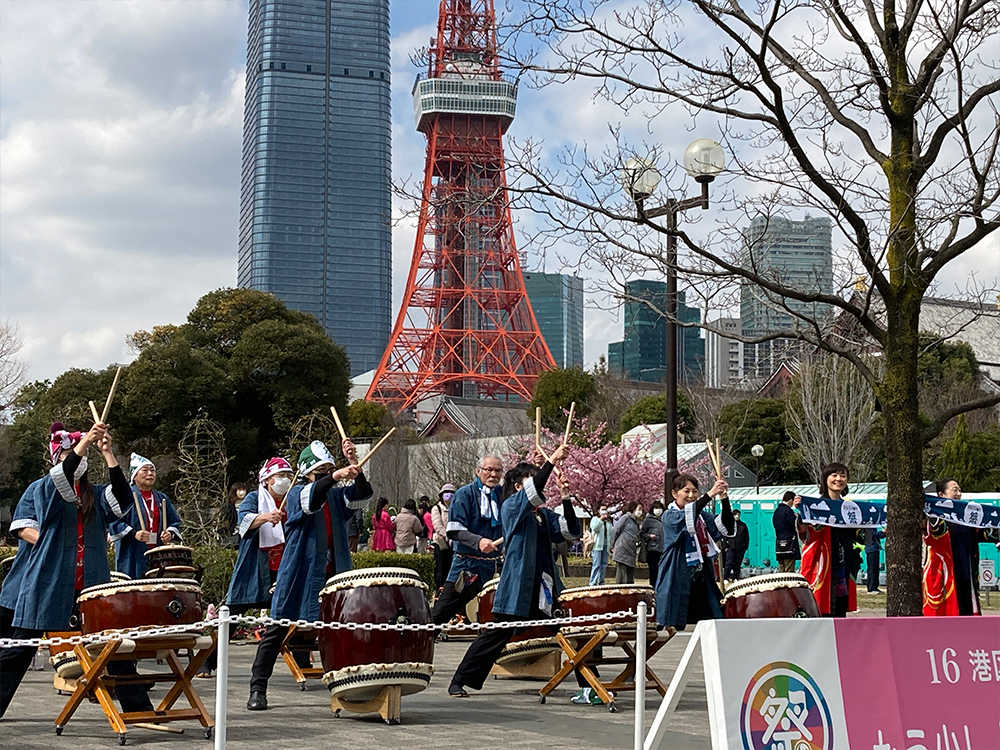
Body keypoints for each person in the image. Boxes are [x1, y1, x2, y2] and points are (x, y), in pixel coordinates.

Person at [1, 422, 152, 719]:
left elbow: (122, 496)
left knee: (114, 647)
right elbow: (27, 525)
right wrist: (83, 445)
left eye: (82, 457)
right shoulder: (43, 488)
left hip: (90, 585)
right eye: (71, 455)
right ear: (57, 457)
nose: (79, 460)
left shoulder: (95, 494)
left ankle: (139, 712)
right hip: (48, 583)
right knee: (20, 650)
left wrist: (107, 453)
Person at [248, 439, 368, 710]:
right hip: (299, 571)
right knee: (278, 627)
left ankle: (348, 687)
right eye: (322, 469)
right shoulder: (296, 492)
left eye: (330, 468)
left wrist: (354, 466)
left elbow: (361, 495)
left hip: (334, 571)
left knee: (339, 630)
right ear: (309, 470)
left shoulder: (336, 496)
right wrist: (336, 475)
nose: (328, 473)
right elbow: (312, 498)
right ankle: (258, 687)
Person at [447, 446, 577, 698]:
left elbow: (570, 531)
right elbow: (534, 489)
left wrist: (566, 497)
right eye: (531, 483)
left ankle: (588, 687)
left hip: (543, 588)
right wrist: (551, 460)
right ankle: (459, 680)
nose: (540, 488)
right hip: (518, 586)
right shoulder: (511, 507)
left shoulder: (542, 515)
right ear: (519, 487)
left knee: (569, 632)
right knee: (495, 636)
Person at [655, 472, 733, 632]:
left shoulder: (702, 517)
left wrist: (724, 499)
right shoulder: (669, 515)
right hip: (676, 573)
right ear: (674, 494)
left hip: (702, 576)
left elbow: (725, 526)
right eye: (686, 491)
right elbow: (687, 516)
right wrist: (711, 493)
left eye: (695, 491)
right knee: (672, 622)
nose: (691, 495)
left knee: (712, 620)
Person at [431, 455, 505, 625]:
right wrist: (478, 541)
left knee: (497, 618)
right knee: (441, 613)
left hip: (496, 566)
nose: (494, 474)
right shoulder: (464, 494)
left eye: (498, 470)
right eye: (489, 469)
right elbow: (455, 530)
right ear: (478, 471)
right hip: (467, 566)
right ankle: (421, 646)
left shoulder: (502, 495)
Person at [226, 457, 294, 613]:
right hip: (257, 560)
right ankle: (220, 635)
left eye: (289, 476)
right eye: (281, 475)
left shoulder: (292, 500)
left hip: (285, 562)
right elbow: (244, 521)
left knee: (286, 609)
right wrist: (267, 517)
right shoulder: (254, 498)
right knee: (239, 603)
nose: (285, 480)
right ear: (269, 479)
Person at [799, 463, 861, 617]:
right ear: (825, 479)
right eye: (834, 475)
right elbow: (804, 532)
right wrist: (801, 510)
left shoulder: (850, 508)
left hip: (843, 566)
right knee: (820, 611)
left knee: (840, 611)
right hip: (823, 566)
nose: (838, 479)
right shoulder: (816, 506)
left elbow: (859, 536)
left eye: (843, 475)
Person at [109, 453, 183, 579]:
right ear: (135, 475)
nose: (150, 474)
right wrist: (134, 533)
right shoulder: (125, 497)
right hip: (131, 554)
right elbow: (113, 522)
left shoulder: (162, 498)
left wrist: (170, 533)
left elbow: (174, 521)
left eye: (152, 470)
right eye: (145, 470)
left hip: (157, 554)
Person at [935, 478, 983, 616]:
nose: (958, 493)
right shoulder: (938, 517)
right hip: (946, 576)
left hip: (967, 572)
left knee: (967, 613)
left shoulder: (967, 517)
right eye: (954, 489)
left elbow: (983, 533)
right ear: (941, 495)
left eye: (960, 490)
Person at [431, 484, 456, 591]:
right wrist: (449, 537)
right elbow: (438, 526)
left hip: (455, 543)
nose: (449, 496)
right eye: (446, 494)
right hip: (442, 544)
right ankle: (439, 593)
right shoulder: (437, 508)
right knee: (441, 570)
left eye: (451, 494)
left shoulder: (456, 508)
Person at [610, 502, 642, 584]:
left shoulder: (636, 522)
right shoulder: (625, 518)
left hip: (631, 550)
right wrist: (612, 545)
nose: (640, 511)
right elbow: (615, 530)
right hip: (623, 548)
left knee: (629, 574)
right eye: (639, 509)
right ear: (633, 509)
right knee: (622, 573)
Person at [773, 491, 801, 573]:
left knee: (781, 570)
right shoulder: (788, 511)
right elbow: (796, 524)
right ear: (790, 500)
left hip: (779, 543)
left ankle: (781, 585)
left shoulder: (777, 511)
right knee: (789, 571)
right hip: (789, 544)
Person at [641, 500, 665, 588]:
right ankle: (653, 588)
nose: (658, 510)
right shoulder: (648, 520)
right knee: (653, 571)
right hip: (652, 549)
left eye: (659, 508)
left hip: (664, 549)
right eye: (656, 508)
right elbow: (642, 533)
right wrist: (649, 536)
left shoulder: (664, 519)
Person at [724, 509, 750, 581]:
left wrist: (745, 546)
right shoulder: (729, 525)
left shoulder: (743, 525)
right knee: (729, 562)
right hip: (730, 547)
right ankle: (725, 577)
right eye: (735, 514)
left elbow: (746, 537)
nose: (737, 516)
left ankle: (736, 577)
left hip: (740, 547)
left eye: (738, 514)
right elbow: (724, 536)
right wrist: (726, 546)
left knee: (737, 563)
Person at [589, 507, 612, 585]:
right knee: (596, 564)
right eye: (602, 509)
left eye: (606, 509)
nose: (604, 510)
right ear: (598, 511)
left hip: (606, 545)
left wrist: (611, 545)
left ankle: (601, 581)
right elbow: (594, 528)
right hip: (597, 546)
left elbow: (610, 534)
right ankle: (593, 582)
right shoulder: (595, 519)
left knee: (604, 564)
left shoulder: (608, 523)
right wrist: (601, 519)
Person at [224, 482, 247, 547]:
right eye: (239, 490)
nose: (242, 492)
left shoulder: (249, 504)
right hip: (233, 537)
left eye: (243, 489)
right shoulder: (229, 506)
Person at [863, 527, 885, 593]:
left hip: (875, 548)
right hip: (871, 549)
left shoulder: (873, 527)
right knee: (872, 569)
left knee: (875, 569)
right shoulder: (868, 527)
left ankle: (875, 587)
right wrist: (882, 532)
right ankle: (871, 588)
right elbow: (874, 535)